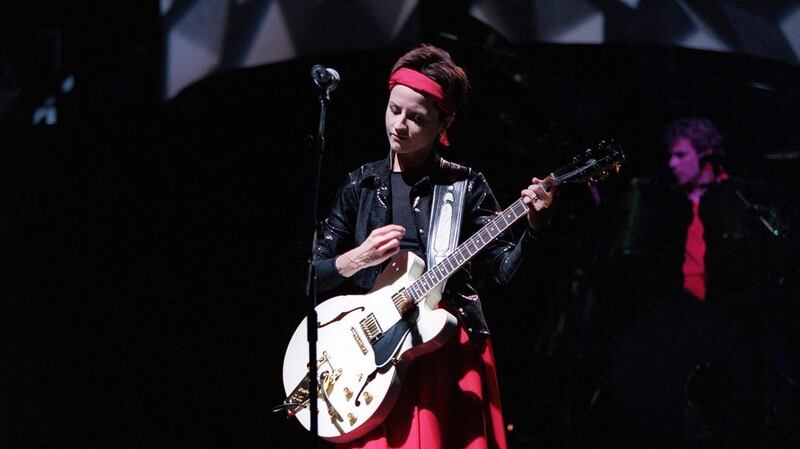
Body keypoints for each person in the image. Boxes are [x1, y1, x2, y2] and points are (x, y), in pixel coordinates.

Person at [313, 44, 558, 449]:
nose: (400, 125)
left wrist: (535, 228)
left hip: (445, 351)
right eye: (394, 110)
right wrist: (357, 259)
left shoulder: (466, 187)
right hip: (368, 360)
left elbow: (502, 272)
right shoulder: (360, 184)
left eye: (416, 118)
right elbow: (311, 277)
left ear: (444, 123)